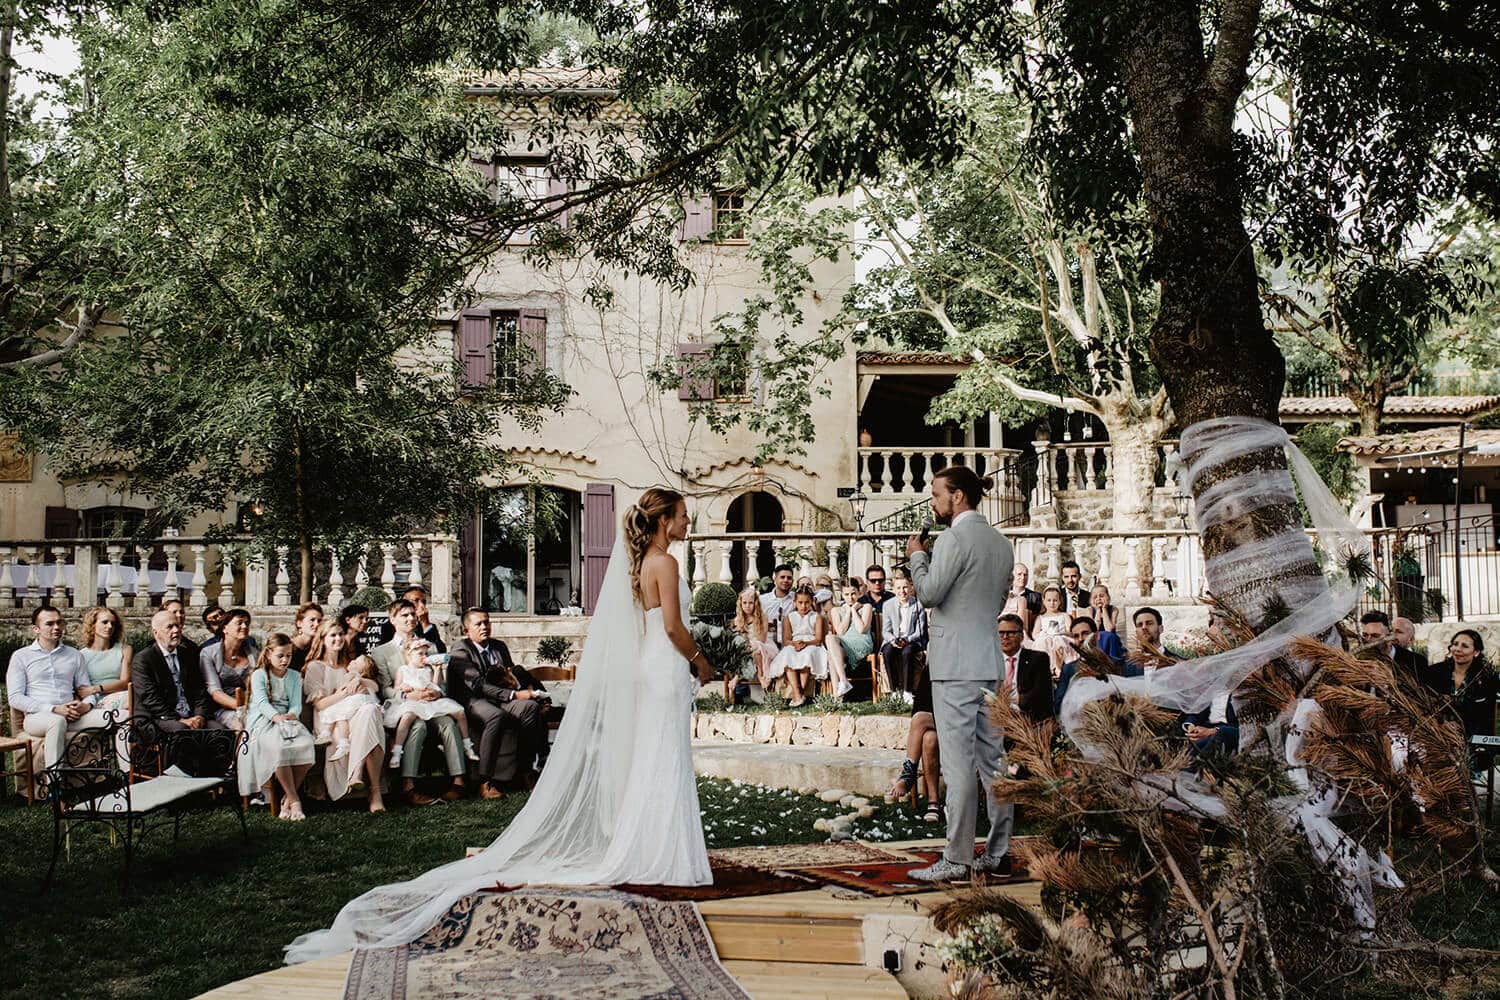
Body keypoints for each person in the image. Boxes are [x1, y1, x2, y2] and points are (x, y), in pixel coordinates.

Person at [287, 487, 716, 964]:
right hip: (666, 664)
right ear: (663, 520)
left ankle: (653, 846)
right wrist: (702, 661)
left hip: (652, 666)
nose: (687, 522)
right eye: (682, 515)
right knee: (665, 756)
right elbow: (673, 628)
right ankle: (662, 850)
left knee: (657, 756)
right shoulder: (665, 562)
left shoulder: (640, 565)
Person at [905, 465, 1015, 883]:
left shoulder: (952, 538)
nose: (933, 502)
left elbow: (929, 593)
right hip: (989, 661)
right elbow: (998, 601)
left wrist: (917, 557)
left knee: (958, 765)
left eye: (936, 494)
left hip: (954, 666)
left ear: (958, 496)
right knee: (994, 763)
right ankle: (998, 853)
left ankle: (957, 857)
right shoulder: (1001, 544)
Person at [370, 598, 466, 806]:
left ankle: (458, 781)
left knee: (448, 724)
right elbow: (384, 687)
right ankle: (409, 786)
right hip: (405, 707)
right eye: (404, 615)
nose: (411, 618)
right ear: (392, 619)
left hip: (431, 704)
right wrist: (406, 695)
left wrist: (437, 693)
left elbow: (441, 681)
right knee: (417, 726)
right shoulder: (382, 652)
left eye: (413, 614)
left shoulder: (429, 647)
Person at [447, 608, 550, 798]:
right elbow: (477, 685)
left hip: (500, 698)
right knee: (496, 716)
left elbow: (508, 675)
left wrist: (524, 690)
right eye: (478, 624)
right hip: (473, 699)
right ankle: (485, 781)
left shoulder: (499, 646)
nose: (484, 627)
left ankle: (524, 771)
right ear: (466, 630)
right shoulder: (460, 650)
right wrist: (514, 695)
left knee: (530, 708)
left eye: (487, 622)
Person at [6, 607, 112, 767]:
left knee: (120, 717)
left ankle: (129, 774)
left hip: (73, 715)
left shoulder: (74, 654)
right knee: (57, 721)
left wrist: (86, 705)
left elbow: (86, 689)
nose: (56, 627)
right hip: (38, 717)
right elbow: (15, 698)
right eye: (50, 624)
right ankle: (54, 778)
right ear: (36, 629)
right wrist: (53, 709)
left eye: (59, 622)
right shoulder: (21, 656)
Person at [302, 620, 386, 810]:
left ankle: (372, 788)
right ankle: (369, 787)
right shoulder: (315, 667)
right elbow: (320, 704)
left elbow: (375, 686)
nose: (338, 638)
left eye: (340, 634)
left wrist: (361, 682)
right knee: (368, 716)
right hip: (330, 720)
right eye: (332, 635)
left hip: (354, 714)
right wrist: (345, 693)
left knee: (370, 711)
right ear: (322, 639)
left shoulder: (349, 664)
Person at [241, 634, 317, 821]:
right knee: (280, 748)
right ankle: (295, 800)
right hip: (264, 721)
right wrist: (276, 717)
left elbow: (296, 704)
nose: (285, 660)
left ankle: (287, 799)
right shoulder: (259, 675)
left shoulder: (294, 676)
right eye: (280, 656)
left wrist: (291, 715)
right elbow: (262, 703)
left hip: (287, 720)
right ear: (268, 654)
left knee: (306, 744)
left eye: (288, 656)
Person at [383, 637, 479, 770]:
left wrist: (437, 670)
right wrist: (403, 687)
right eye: (420, 654)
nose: (425, 657)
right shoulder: (403, 670)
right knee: (407, 717)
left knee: (460, 712)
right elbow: (396, 687)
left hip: (429, 702)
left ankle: (467, 745)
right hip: (412, 702)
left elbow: (436, 685)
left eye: (426, 653)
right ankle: (397, 752)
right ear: (409, 656)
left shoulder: (428, 669)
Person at [133, 609, 226, 733]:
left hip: (191, 716)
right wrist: (179, 720)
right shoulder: (143, 659)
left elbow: (199, 690)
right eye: (170, 627)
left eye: (177, 625)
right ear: (156, 633)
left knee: (220, 731)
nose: (176, 630)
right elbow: (150, 698)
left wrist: (199, 716)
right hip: (157, 718)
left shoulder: (188, 654)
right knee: (182, 731)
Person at [1423, 629, 1498, 771]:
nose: (1457, 649)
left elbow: (1484, 716)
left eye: (1465, 646)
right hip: (1437, 735)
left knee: (1460, 768)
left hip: (1471, 741)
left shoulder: (1487, 678)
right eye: (1455, 644)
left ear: (1476, 652)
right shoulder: (1434, 672)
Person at [200, 608, 260, 730]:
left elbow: (259, 685)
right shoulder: (208, 653)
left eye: (247, 623)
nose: (244, 626)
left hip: (252, 704)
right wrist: (241, 707)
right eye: (239, 623)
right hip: (222, 708)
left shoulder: (254, 654)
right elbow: (215, 691)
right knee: (244, 723)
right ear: (225, 628)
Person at [768, 586, 827, 707]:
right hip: (794, 644)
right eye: (800, 602)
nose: (803, 606)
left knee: (807, 655)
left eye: (807, 602)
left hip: (812, 644)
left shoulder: (816, 617)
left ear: (812, 602)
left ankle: (800, 693)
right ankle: (797, 692)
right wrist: (794, 644)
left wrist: (806, 644)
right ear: (795, 602)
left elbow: (818, 639)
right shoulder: (789, 617)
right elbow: (786, 640)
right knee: (788, 654)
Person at [997, 613, 1054, 726]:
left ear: (1022, 636)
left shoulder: (1038, 659)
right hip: (996, 719)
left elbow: (1041, 693)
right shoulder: (990, 661)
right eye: (1001, 633)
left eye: (1011, 633)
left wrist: (1012, 703)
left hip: (1029, 720)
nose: (1005, 637)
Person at [79, 606, 132, 716]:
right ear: (93, 625)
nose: (109, 626)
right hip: (97, 700)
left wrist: (96, 688)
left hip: (122, 695)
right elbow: (81, 688)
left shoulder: (125, 649)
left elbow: (125, 682)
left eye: (113, 623)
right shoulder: (81, 655)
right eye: (105, 622)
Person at [880, 575, 927, 693]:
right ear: (893, 589)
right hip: (894, 639)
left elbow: (920, 631)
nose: (902, 591)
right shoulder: (888, 605)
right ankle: (894, 690)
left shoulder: (918, 605)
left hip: (912, 640)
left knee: (907, 652)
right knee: (887, 651)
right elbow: (886, 631)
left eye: (905, 587)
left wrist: (907, 639)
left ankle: (907, 691)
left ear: (911, 588)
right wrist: (893, 640)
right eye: (898, 588)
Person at [830, 579, 874, 698]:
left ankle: (837, 694)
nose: (850, 598)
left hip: (861, 642)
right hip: (844, 644)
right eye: (846, 594)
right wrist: (848, 612)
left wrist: (854, 610)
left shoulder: (866, 607)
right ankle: (842, 683)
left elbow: (861, 629)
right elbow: (841, 632)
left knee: (831, 654)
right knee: (830, 639)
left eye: (853, 593)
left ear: (859, 593)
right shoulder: (835, 610)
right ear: (842, 595)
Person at [812, 577, 852, 698]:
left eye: (828, 586)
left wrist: (828, 608)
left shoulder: (837, 608)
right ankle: (839, 689)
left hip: (836, 644)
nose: (824, 589)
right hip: (817, 643)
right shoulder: (811, 607)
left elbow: (838, 630)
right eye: (821, 585)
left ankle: (837, 693)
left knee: (831, 651)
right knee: (829, 650)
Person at [1359, 610, 1427, 682]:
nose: (1368, 640)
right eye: (1365, 635)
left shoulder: (1415, 662)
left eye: (1375, 636)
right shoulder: (1359, 661)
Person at [379, 585, 447, 653]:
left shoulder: (428, 626)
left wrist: (425, 623)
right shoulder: (390, 626)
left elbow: (440, 650)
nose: (421, 605)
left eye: (423, 602)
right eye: (416, 601)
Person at [1029, 585, 1078, 678]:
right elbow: (1035, 634)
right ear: (1044, 601)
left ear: (1060, 601)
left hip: (1061, 637)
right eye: (1049, 600)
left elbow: (1070, 632)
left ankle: (1059, 667)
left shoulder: (1064, 615)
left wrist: (1060, 633)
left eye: (1055, 600)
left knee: (1058, 641)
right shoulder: (1041, 617)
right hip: (1046, 639)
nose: (1052, 603)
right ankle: (1047, 668)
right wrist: (1044, 635)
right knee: (1043, 642)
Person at [733, 586, 776, 689]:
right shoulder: (738, 619)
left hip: (763, 646)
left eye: (751, 603)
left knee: (756, 650)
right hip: (746, 647)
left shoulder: (762, 617)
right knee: (741, 652)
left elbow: (762, 639)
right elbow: (739, 638)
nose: (747, 606)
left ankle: (761, 675)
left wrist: (749, 645)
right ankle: (737, 677)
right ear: (740, 604)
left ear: (755, 604)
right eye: (744, 603)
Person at [759, 564, 796, 648]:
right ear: (775, 578)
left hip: (790, 645)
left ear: (792, 581)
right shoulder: (762, 600)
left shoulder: (797, 599)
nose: (786, 580)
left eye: (789, 578)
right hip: (768, 645)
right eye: (782, 577)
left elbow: (823, 593)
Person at [1001, 562, 1041, 636]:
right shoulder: (1003, 594)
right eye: (1019, 574)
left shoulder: (1035, 596)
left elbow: (1036, 620)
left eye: (1025, 575)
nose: (1023, 577)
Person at [1086, 584, 1122, 657]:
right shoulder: (1089, 610)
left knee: (1109, 636)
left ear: (1108, 598)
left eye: (1102, 596)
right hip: (1096, 639)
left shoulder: (1114, 610)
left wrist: (1104, 609)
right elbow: (1094, 629)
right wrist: (1098, 610)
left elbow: (1109, 629)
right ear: (1091, 600)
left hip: (1111, 640)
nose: (1098, 598)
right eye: (1095, 597)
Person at [289, 602, 323, 672]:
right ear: (299, 623)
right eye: (312, 620)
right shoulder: (288, 647)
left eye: (319, 621)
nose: (317, 624)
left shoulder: (319, 648)